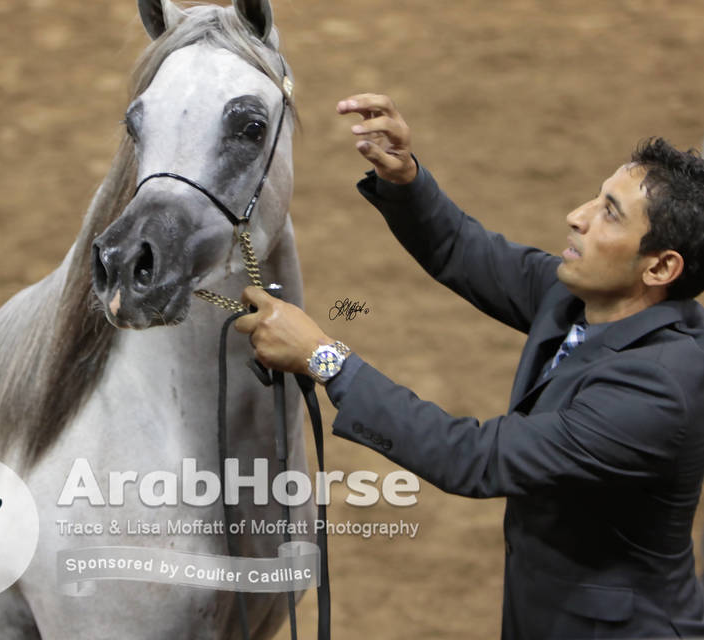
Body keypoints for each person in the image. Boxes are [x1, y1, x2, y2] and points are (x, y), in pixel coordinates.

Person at [234, 93, 704, 639]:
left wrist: (324, 357)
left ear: (660, 268)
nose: (577, 217)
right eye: (596, 199)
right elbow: (464, 249)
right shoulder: (582, 299)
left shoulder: (657, 390)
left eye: (609, 214)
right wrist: (405, 178)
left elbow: (474, 458)